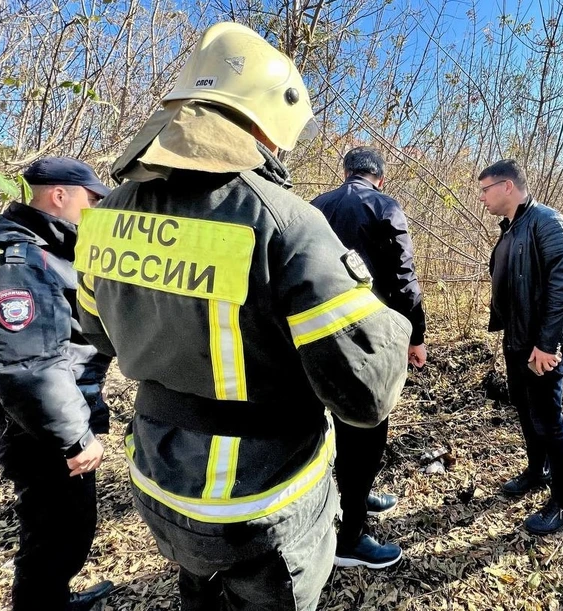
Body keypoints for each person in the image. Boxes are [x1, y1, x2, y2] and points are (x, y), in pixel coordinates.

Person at [74, 23, 411, 611]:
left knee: (198, 591)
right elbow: (365, 394)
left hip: (161, 481)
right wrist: (391, 323)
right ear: (265, 124)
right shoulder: (282, 221)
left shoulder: (106, 215)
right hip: (260, 503)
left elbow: (97, 331)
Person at [0, 157, 114, 610]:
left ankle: (51, 600)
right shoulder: (15, 259)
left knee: (56, 533)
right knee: (59, 535)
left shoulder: (28, 245)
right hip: (42, 429)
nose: (96, 208)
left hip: (41, 419)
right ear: (59, 195)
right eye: (92, 198)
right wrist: (75, 437)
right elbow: (28, 365)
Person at [311, 146, 426, 569]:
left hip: (313, 338)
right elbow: (403, 278)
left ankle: (353, 499)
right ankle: (351, 539)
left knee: (331, 430)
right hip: (367, 340)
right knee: (367, 432)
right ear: (379, 177)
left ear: (346, 173)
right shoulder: (384, 206)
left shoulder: (313, 207)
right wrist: (417, 335)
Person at [480, 159, 563, 535]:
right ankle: (536, 471)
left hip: (543, 344)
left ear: (507, 186)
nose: (482, 198)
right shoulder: (511, 229)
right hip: (518, 341)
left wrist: (548, 343)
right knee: (526, 412)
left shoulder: (549, 222)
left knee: (547, 419)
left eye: (486, 189)